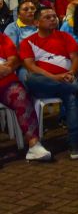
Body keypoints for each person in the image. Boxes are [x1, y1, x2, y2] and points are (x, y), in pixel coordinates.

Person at [19, 6, 78, 159]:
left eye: (54, 16)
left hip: (67, 80)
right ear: (36, 22)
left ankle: (74, 143)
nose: (53, 19)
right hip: (44, 84)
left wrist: (71, 73)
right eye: (48, 17)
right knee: (30, 77)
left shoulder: (65, 36)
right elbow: (30, 66)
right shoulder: (28, 42)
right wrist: (55, 78)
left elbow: (76, 59)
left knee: (71, 97)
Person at [0, 30, 52, 161]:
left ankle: (34, 145)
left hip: (6, 81)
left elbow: (14, 58)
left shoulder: (2, 38)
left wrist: (9, 66)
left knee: (20, 96)